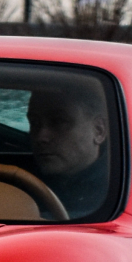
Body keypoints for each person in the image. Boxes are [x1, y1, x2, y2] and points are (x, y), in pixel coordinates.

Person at [30, 75, 113, 217]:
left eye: (59, 122)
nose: (41, 137)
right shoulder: (20, 179)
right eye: (34, 122)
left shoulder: (117, 193)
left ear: (99, 131)